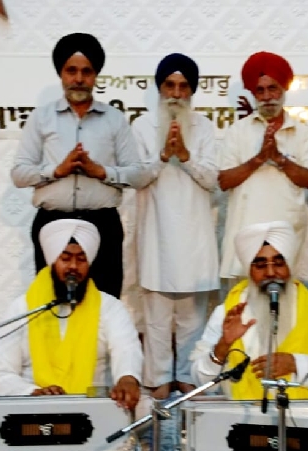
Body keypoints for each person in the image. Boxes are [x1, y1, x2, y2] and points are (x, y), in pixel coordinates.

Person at [11, 32, 150, 298]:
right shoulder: (41, 118)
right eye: (71, 71)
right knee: (53, 303)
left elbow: (137, 174)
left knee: (104, 303)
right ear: (61, 74)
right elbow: (19, 174)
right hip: (53, 222)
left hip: (103, 225)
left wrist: (101, 172)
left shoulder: (114, 119)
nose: (78, 78)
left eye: (86, 71)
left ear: (96, 75)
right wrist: (56, 171)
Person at [132, 53, 219, 399]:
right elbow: (135, 177)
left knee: (191, 317)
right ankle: (158, 378)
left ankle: (186, 375)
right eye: (170, 85)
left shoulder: (205, 127)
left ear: (192, 91)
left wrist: (185, 155)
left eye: (184, 86)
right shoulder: (141, 127)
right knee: (156, 315)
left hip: (193, 233)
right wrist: (161, 157)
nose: (176, 93)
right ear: (159, 88)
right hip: (156, 232)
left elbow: (212, 180)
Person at [0, 219, 143, 410]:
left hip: (93, 404)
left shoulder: (109, 306)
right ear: (52, 261)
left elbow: (126, 348)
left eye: (81, 259)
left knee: (145, 406)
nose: (73, 267)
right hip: (33, 406)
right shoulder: (22, 308)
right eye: (65, 258)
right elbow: (1, 374)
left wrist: (127, 377)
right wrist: (32, 392)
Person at [191, 221, 308, 399]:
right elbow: (201, 381)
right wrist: (223, 346)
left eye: (279, 263)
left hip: (303, 412)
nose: (270, 272)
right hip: (243, 413)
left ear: (290, 266)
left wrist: (296, 364)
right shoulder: (228, 313)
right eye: (260, 265)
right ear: (249, 270)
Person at [219, 51, 308, 281]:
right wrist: (258, 160)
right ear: (253, 94)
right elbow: (224, 181)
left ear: (284, 89)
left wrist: (279, 159)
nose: (267, 97)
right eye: (260, 90)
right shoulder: (238, 131)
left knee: (286, 299)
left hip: (287, 236)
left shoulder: (301, 132)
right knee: (245, 301)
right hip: (246, 235)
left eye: (272, 88)